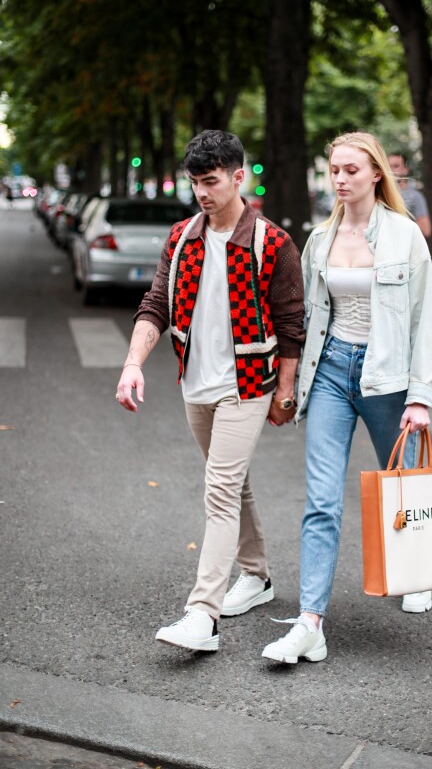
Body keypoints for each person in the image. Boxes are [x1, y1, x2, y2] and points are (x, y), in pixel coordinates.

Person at [115, 130, 305, 653]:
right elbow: (156, 304)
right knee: (231, 480)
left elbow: (291, 327)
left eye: (212, 181)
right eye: (195, 181)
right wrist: (134, 363)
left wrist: (283, 394)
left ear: (239, 176)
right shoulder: (181, 239)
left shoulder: (272, 243)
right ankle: (258, 576)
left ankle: (202, 615)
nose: (202, 191)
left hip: (247, 387)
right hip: (194, 384)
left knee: (219, 490)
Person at [261, 132, 432, 664]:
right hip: (333, 373)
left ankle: (416, 570)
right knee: (321, 500)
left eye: (351, 171)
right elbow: (311, 317)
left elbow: (423, 319)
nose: (340, 179)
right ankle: (310, 622)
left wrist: (421, 395)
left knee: (400, 483)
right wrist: (289, 383)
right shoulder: (321, 238)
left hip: (388, 380)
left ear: (376, 175)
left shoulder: (407, 236)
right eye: (335, 170)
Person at [388, 152, 432, 238]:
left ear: (405, 170)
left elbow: (426, 230)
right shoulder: (378, 194)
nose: (391, 170)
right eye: (388, 166)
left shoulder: (415, 196)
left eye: (396, 166)